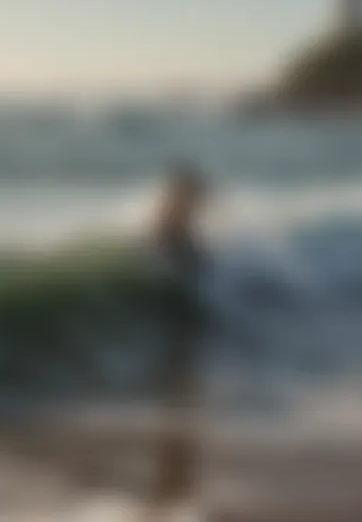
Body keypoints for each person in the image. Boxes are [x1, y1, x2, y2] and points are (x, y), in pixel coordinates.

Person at [145, 161, 209, 514]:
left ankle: (174, 485)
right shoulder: (169, 229)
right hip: (169, 329)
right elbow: (159, 271)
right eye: (195, 195)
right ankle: (169, 486)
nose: (201, 203)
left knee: (182, 411)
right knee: (175, 402)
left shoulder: (181, 228)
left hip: (182, 327)